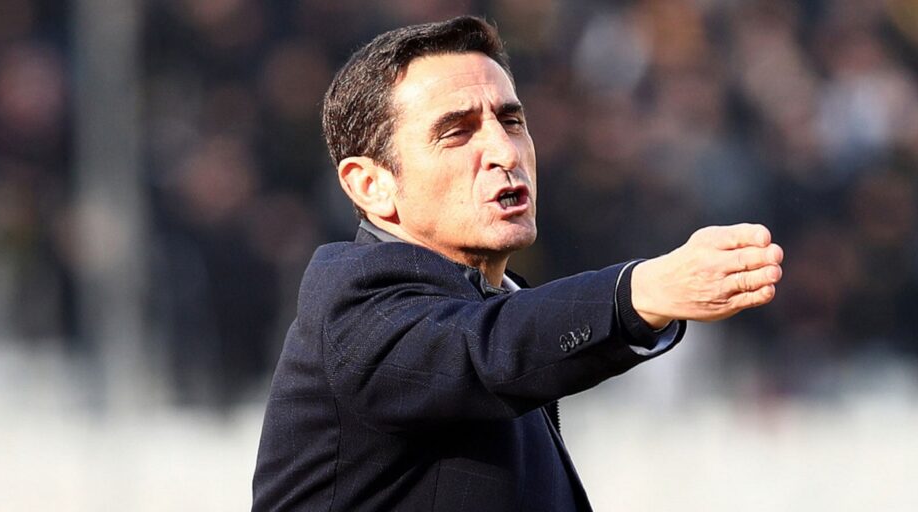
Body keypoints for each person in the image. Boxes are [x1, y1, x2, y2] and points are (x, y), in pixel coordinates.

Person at [252, 15, 783, 511]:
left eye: (510, 121)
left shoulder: (502, 307)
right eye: (456, 132)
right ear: (370, 184)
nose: (505, 152)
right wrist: (640, 291)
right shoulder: (350, 302)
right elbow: (484, 348)